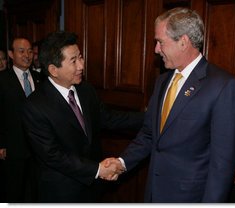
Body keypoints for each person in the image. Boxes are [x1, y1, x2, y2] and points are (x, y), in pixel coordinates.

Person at [104, 7, 235, 202]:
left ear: (183, 42)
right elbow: (149, 134)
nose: (156, 49)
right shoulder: (162, 81)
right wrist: (121, 162)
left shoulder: (223, 87)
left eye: (160, 42)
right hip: (154, 193)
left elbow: (222, 165)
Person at [21, 31, 143, 203]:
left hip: (93, 188)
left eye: (80, 57)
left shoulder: (86, 90)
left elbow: (109, 118)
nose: (81, 65)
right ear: (53, 70)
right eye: (74, 61)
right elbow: (53, 155)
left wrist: (150, 117)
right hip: (61, 192)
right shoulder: (34, 106)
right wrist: (98, 169)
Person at [0, 37, 42, 202]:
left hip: (38, 148)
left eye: (30, 51)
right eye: (21, 51)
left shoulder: (40, 78)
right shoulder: (2, 79)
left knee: (34, 191)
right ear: (11, 54)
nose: (27, 55)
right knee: (13, 191)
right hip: (12, 147)